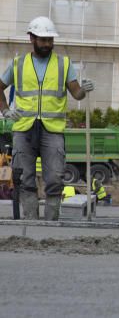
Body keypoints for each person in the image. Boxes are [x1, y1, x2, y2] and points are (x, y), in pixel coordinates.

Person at [0, 16, 94, 221]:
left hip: (52, 130)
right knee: (25, 178)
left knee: (55, 178)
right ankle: (31, 221)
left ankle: (51, 223)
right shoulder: (18, 64)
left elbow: (76, 93)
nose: (47, 44)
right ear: (31, 38)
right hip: (24, 129)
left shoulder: (64, 63)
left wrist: (83, 91)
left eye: (50, 40)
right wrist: (5, 110)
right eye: (43, 40)